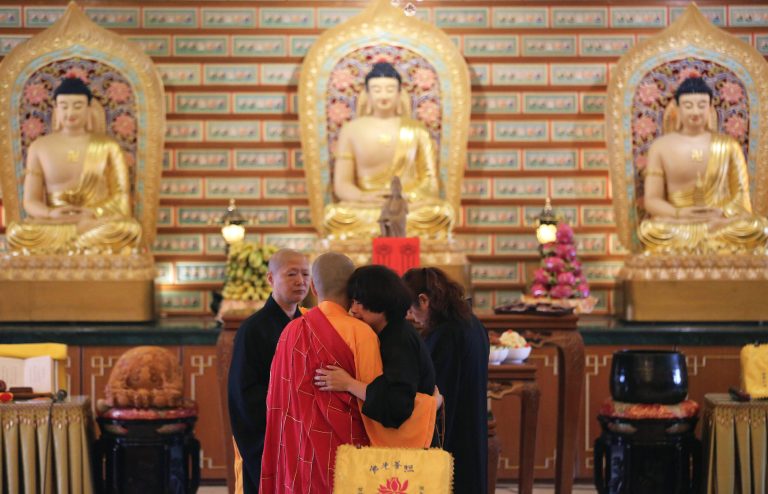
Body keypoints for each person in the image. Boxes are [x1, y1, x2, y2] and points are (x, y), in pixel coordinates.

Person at [260, 253, 436, 494]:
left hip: (297, 454)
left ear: (313, 286)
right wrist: (431, 404)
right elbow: (377, 417)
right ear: (351, 287)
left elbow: (276, 401)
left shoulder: (289, 331)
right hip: (347, 459)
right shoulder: (361, 333)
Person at [6, 76, 142, 254]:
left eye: (78, 106)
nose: (70, 113)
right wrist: (50, 214)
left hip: (93, 220)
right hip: (55, 224)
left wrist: (91, 213)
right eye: (64, 106)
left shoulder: (108, 146)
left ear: (88, 109)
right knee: (17, 232)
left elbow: (122, 199)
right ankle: (82, 246)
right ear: (56, 109)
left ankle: (65, 249)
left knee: (128, 229)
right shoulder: (39, 147)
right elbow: (30, 201)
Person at [323, 62, 453, 239]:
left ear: (400, 94)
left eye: (390, 90)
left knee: (440, 213)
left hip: (408, 205)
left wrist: (404, 197)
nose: (383, 96)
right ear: (367, 94)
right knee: (334, 216)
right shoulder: (351, 130)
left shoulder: (416, 130)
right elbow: (342, 184)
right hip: (368, 206)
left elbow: (430, 182)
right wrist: (363, 197)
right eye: (376, 90)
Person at [639, 76, 768, 254]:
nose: (695, 112)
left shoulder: (729, 146)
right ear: (677, 108)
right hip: (679, 224)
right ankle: (714, 248)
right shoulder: (660, 147)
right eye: (688, 105)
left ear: (710, 108)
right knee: (650, 230)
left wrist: (721, 214)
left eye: (701, 105)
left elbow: (741, 198)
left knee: (756, 227)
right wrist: (680, 214)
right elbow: (652, 200)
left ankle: (693, 248)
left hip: (719, 222)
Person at [314, 264, 441, 434]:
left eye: (359, 302)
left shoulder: (399, 339)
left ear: (381, 300)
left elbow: (397, 404)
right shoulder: (387, 331)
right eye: (352, 302)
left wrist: (349, 384)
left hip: (411, 445)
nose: (353, 310)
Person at [228, 249, 310, 494]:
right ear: (271, 279)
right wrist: (287, 407)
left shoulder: (308, 324)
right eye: (291, 274)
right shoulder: (253, 329)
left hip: (304, 432)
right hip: (270, 433)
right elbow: (243, 394)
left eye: (306, 274)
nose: (300, 281)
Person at [402, 266, 489, 494]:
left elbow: (435, 391)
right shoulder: (471, 322)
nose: (412, 318)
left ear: (424, 300)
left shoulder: (445, 335)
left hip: (453, 434)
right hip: (472, 426)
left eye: (411, 310)